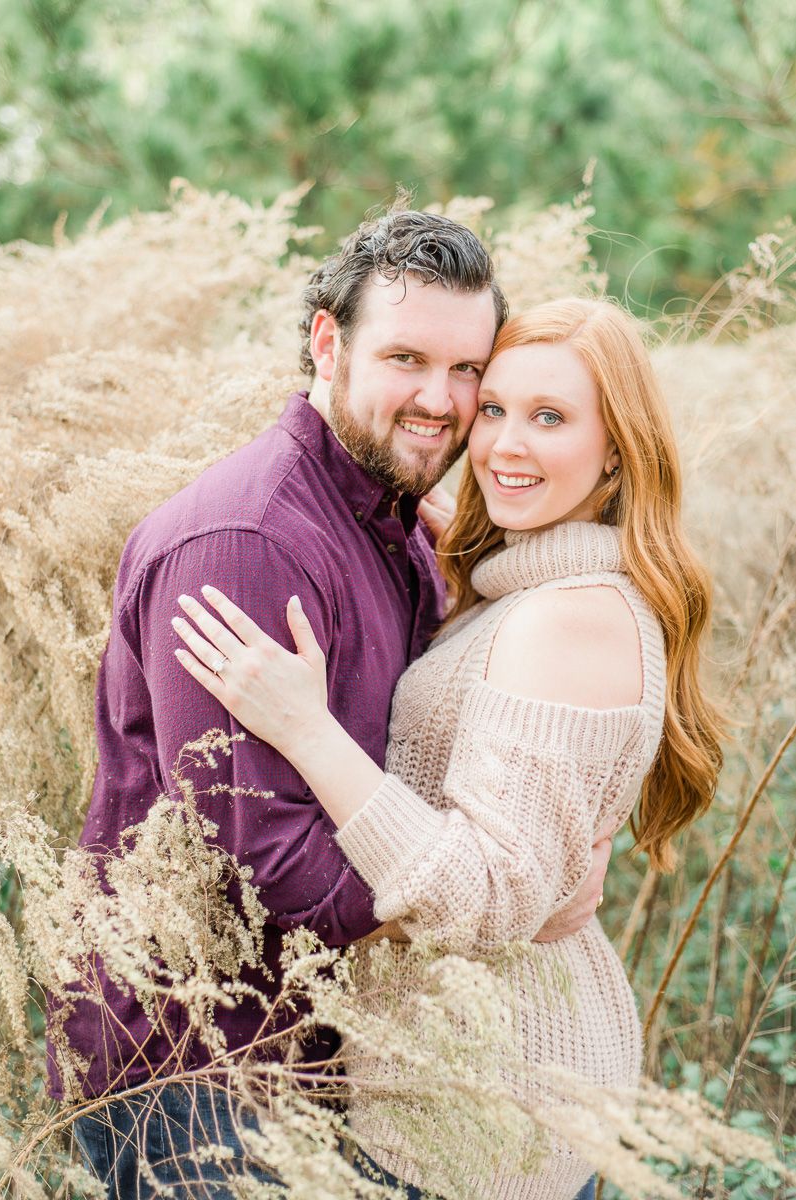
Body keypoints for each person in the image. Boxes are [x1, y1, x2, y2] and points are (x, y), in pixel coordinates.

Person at [55, 210, 609, 1199]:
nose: (439, 399)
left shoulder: (397, 521)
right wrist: (491, 900)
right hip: (198, 1077)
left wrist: (547, 845)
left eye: (466, 368)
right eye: (406, 357)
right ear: (327, 340)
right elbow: (272, 873)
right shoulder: (249, 546)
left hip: (313, 1060)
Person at [172, 297, 724, 1198]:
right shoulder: (537, 588)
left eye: (550, 419)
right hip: (468, 1092)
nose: (504, 444)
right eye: (495, 407)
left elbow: (484, 901)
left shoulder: (569, 617)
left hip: (484, 1120)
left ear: (617, 449)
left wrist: (308, 732)